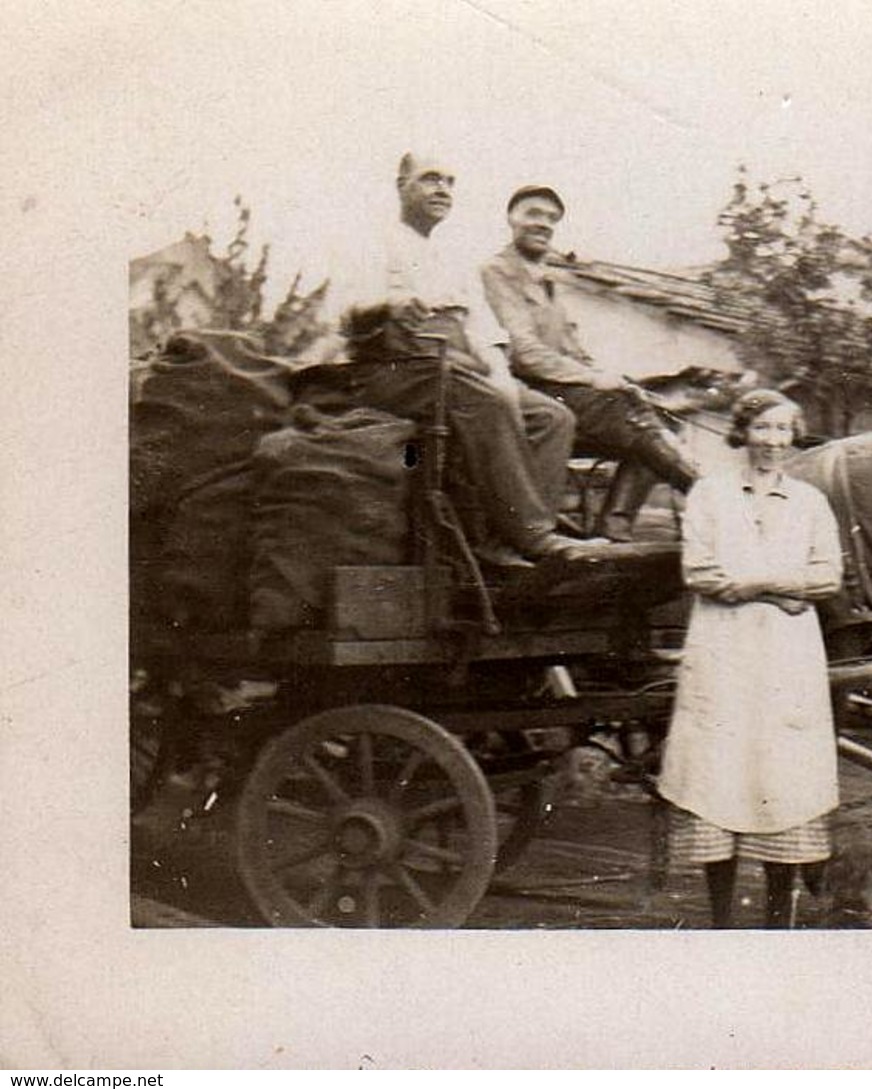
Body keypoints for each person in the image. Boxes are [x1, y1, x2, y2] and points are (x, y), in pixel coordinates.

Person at [306, 152, 588, 563]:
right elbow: (343, 313)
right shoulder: (372, 240)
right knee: (484, 402)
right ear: (401, 184)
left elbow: (483, 328)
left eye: (450, 181)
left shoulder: (454, 257)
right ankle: (535, 536)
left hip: (449, 366)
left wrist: (501, 374)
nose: (442, 189)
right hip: (388, 369)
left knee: (552, 417)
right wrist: (390, 303)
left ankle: (506, 540)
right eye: (430, 179)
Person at [656, 390, 842, 928]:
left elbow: (827, 577)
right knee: (722, 770)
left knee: (779, 776)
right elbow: (703, 575)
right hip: (724, 651)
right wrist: (779, 586)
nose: (772, 441)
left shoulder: (810, 502)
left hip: (788, 658)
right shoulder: (710, 495)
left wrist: (755, 583)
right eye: (762, 428)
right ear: (743, 432)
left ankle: (776, 922)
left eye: (783, 430)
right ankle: (721, 923)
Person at [480, 184, 699, 542]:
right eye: (533, 213)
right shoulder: (496, 272)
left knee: (657, 418)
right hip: (526, 389)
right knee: (626, 413)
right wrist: (593, 380)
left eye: (551, 218)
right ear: (511, 219)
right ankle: (712, 498)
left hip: (563, 388)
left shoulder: (547, 282)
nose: (543, 224)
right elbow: (524, 352)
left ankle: (617, 525)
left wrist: (608, 376)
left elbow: (574, 350)